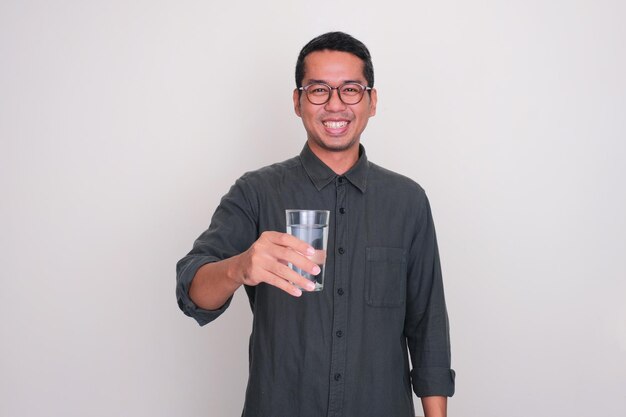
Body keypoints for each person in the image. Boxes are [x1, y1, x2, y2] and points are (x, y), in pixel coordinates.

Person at [176, 31, 455, 417]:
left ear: (372, 102)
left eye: (351, 90)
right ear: (298, 101)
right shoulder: (256, 192)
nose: (335, 105)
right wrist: (241, 266)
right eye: (319, 90)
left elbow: (428, 327)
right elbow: (193, 293)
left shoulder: (407, 201)